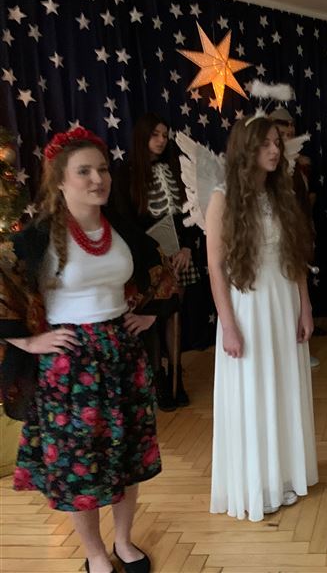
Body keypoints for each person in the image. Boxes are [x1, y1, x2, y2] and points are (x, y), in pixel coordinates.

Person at [1, 127, 176, 573]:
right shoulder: (37, 237)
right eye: (84, 171)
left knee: (128, 457)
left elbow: (161, 268)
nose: (98, 179)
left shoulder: (122, 229)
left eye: (102, 169)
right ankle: (96, 554)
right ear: (60, 180)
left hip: (123, 356)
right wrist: (28, 340)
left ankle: (124, 541)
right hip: (70, 365)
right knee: (81, 466)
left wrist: (150, 313)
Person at [206, 116, 318, 522]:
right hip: (248, 308)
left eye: (277, 143)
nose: (275, 150)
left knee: (284, 387)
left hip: (283, 301)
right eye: (266, 143)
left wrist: (305, 305)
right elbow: (215, 267)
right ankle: (257, 483)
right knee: (254, 391)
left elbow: (295, 256)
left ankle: (285, 474)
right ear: (246, 148)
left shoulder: (280, 193)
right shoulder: (222, 198)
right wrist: (229, 325)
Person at [112, 113, 206, 411]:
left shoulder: (178, 169)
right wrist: (149, 252)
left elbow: (191, 212)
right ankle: (158, 380)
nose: (161, 140)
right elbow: (124, 220)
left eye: (165, 135)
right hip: (146, 258)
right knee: (151, 317)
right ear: (142, 135)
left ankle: (176, 376)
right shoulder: (125, 174)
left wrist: (187, 247)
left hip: (178, 255)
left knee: (174, 313)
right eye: (155, 134)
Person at [270, 106, 322, 368]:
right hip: (275, 245)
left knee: (299, 290)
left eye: (290, 131)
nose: (287, 135)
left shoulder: (298, 166)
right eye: (282, 132)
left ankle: (299, 342)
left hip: (297, 235)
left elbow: (304, 200)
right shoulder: (273, 172)